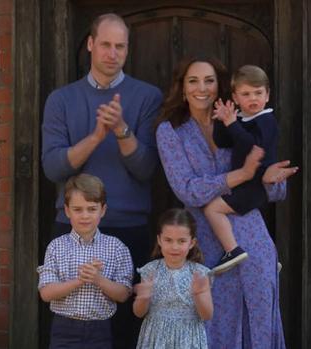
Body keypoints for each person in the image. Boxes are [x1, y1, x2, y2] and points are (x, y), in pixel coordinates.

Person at [155, 56, 298, 348]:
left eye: (209, 80)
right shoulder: (170, 132)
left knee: (259, 319)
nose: (202, 88)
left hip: (253, 238)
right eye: (193, 81)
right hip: (206, 243)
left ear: (219, 87)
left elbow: (276, 189)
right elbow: (188, 191)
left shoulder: (242, 121)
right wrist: (242, 175)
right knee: (214, 323)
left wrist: (267, 178)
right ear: (182, 88)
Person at [41, 13, 163, 348]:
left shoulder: (147, 96)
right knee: (71, 323)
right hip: (73, 228)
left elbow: (148, 169)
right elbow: (52, 168)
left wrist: (122, 130)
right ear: (91, 45)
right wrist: (95, 137)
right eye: (106, 44)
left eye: (120, 46)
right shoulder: (61, 99)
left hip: (129, 228)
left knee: (126, 329)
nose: (112, 53)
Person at [37, 174, 134, 349]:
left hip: (101, 329)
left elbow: (124, 294)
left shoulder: (117, 247)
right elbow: (46, 293)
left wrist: (98, 279)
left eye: (91, 209)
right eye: (78, 209)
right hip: (64, 328)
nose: (85, 216)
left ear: (102, 210)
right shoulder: (56, 247)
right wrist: (79, 281)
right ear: (67, 211)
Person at [203, 65, 279, 274]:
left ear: (267, 95)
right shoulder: (243, 120)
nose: (253, 98)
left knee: (212, 209)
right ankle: (267, 255)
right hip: (244, 184)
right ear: (236, 98)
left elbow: (252, 146)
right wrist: (222, 121)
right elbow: (223, 141)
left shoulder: (266, 120)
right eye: (246, 94)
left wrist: (232, 124)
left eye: (258, 93)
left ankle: (232, 250)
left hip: (255, 184)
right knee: (242, 221)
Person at [133, 208, 213, 349]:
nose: (174, 247)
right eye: (168, 240)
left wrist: (198, 295)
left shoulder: (199, 273)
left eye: (181, 241)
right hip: (156, 336)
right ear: (159, 240)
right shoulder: (150, 270)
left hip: (188, 339)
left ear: (192, 243)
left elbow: (207, 315)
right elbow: (139, 313)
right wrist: (143, 297)